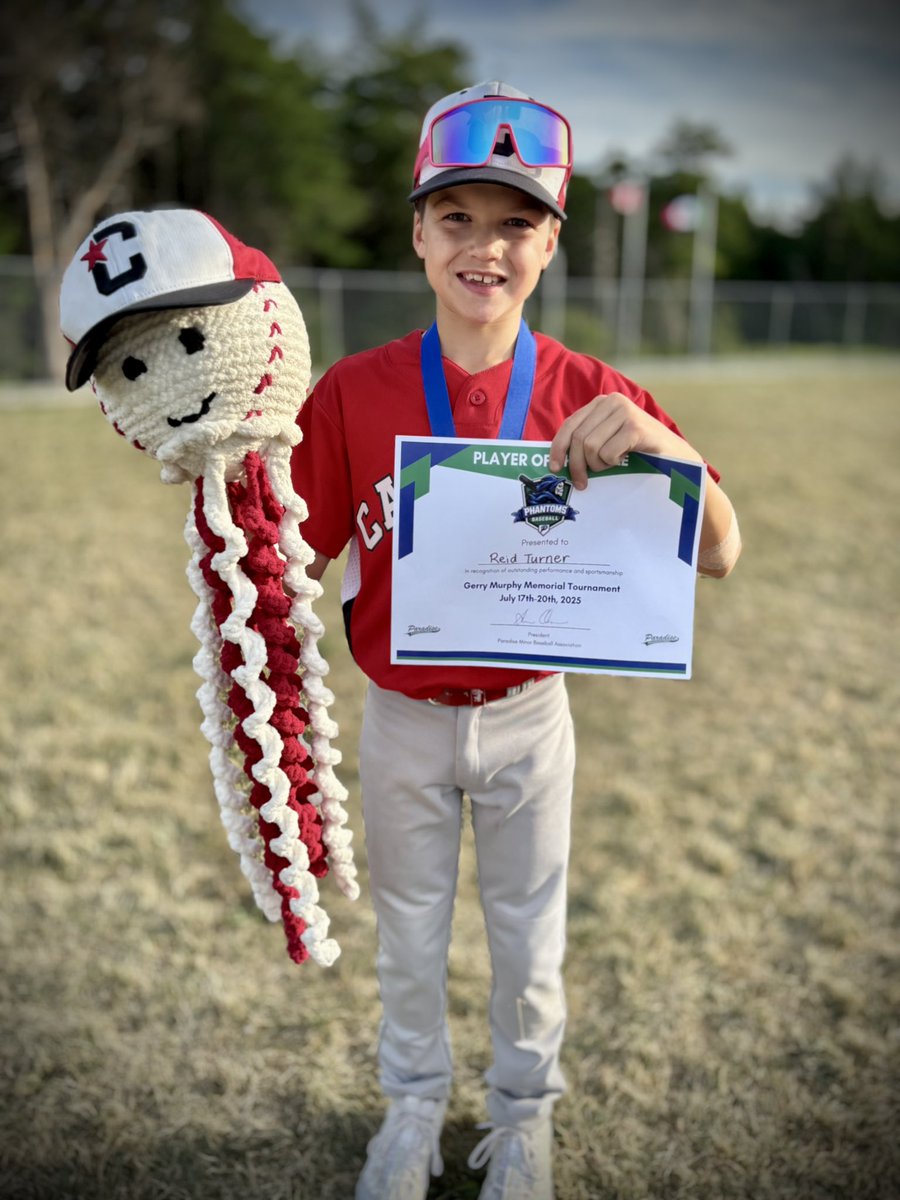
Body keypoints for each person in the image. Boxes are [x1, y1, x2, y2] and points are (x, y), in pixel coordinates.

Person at [290, 80, 741, 1200]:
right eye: (457, 218)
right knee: (406, 932)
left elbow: (725, 550)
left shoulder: (596, 394)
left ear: (551, 242)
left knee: (530, 939)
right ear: (417, 231)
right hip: (400, 714)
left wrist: (660, 447)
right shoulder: (353, 392)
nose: (483, 248)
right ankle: (408, 1111)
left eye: (515, 222)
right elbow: (287, 555)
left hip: (530, 715)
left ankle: (523, 1120)